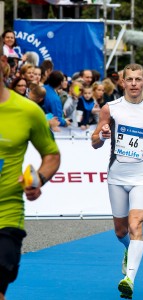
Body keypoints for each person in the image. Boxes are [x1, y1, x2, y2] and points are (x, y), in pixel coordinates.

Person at [91, 63, 143, 300]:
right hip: (116, 176)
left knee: (136, 225)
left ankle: (129, 279)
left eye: (138, 79)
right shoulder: (110, 109)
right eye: (129, 79)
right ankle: (128, 249)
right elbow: (94, 140)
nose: (133, 84)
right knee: (120, 231)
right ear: (122, 82)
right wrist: (101, 137)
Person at [0, 37, 61, 300]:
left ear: (4, 64)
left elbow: (51, 155)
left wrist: (38, 180)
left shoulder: (28, 111)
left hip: (6, 216)